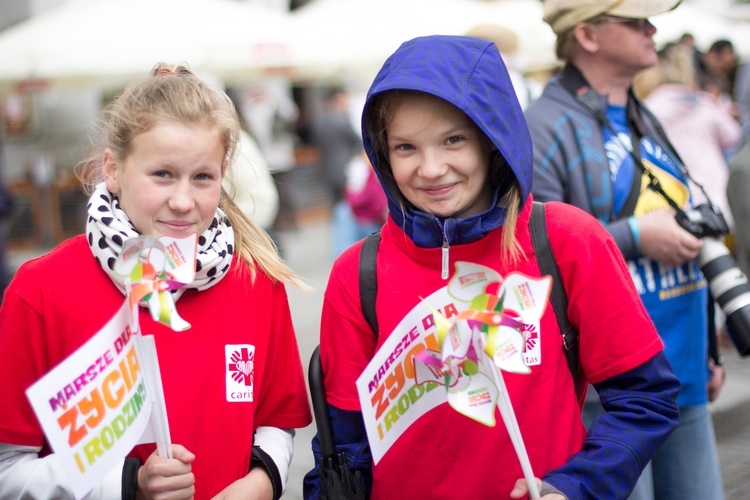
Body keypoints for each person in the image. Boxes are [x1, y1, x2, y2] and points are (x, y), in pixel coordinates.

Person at [304, 35, 679, 499]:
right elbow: (343, 444)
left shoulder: (566, 241)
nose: (431, 168)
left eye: (453, 140)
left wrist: (577, 486)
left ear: (492, 138)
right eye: (406, 148)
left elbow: (645, 399)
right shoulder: (357, 272)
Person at [0, 64, 312, 499]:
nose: (183, 201)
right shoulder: (40, 291)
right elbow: (9, 470)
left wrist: (259, 484)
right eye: (162, 174)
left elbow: (276, 423)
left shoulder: (257, 283)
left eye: (202, 177)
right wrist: (127, 486)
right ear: (112, 169)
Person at [524, 1, 725, 498]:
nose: (652, 28)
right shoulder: (541, 126)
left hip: (681, 370)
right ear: (588, 35)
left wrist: (708, 350)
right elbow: (531, 248)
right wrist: (636, 235)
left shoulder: (640, 115)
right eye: (635, 21)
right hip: (610, 393)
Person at [310, 87, 364, 256]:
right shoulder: (342, 120)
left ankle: (340, 243)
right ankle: (349, 245)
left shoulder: (320, 122)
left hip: (327, 170)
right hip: (345, 169)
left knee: (337, 209)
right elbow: (357, 141)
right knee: (349, 208)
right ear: (337, 100)